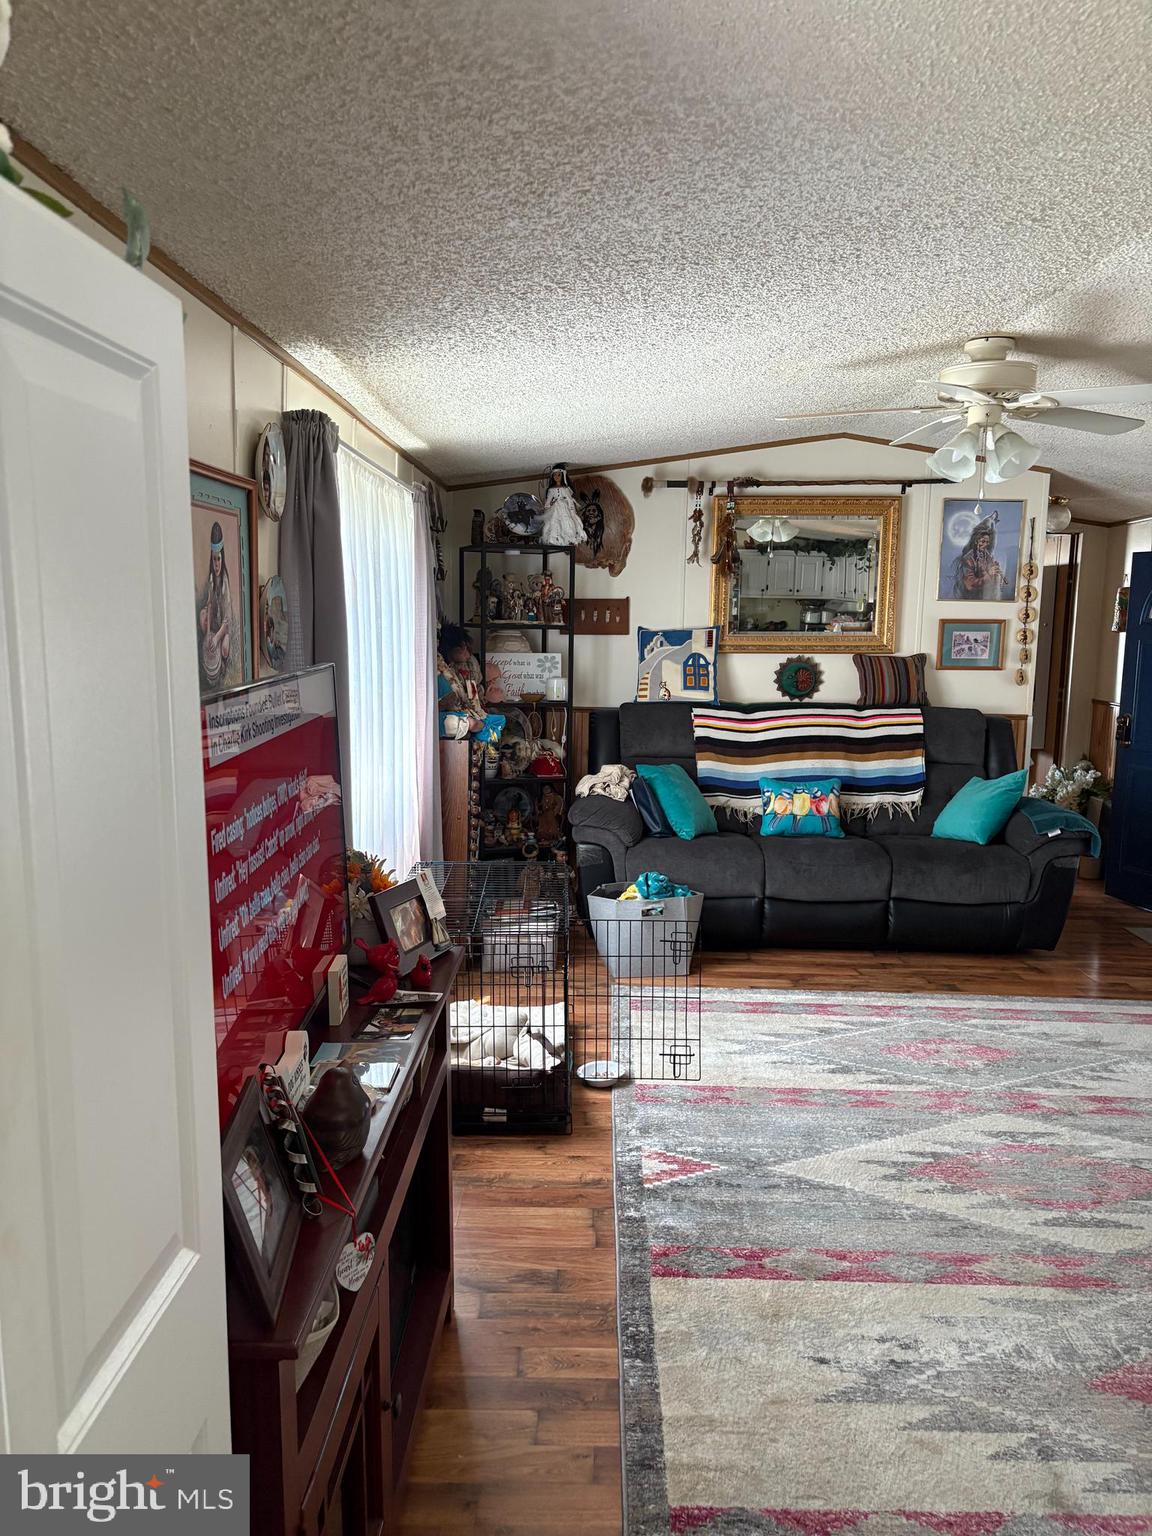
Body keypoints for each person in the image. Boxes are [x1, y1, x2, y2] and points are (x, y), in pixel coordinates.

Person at [198, 520, 234, 688]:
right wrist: (207, 635)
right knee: (203, 614)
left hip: (224, 628)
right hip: (215, 624)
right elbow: (210, 604)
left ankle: (223, 668)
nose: (217, 564)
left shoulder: (225, 582)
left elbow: (227, 620)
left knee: (225, 647)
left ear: (222, 558)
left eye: (219, 559)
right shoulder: (212, 579)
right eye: (214, 560)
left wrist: (217, 637)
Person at [951, 514, 1007, 601]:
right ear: (977, 541)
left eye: (987, 542)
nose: (985, 545)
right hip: (971, 599)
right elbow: (970, 584)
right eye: (983, 541)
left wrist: (996, 574)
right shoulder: (968, 559)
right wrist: (989, 574)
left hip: (985, 598)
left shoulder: (987, 555)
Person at [541, 464, 587, 546]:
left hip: (565, 508)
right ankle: (555, 539)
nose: (556, 477)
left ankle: (569, 538)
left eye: (559, 475)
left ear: (563, 476)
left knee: (567, 522)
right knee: (554, 523)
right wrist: (550, 504)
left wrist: (572, 511)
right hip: (555, 508)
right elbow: (547, 504)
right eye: (554, 475)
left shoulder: (566, 488)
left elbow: (570, 500)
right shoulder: (551, 490)